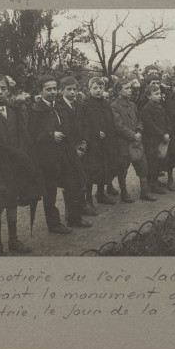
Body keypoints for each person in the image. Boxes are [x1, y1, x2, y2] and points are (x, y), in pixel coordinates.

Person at [0, 74, 44, 255]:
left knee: (12, 202)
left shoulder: (15, 110)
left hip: (15, 167)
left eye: (3, 89)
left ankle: (13, 240)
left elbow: (24, 136)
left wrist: (26, 157)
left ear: (8, 89)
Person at [27, 75, 88, 234]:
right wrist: (49, 135)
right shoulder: (36, 111)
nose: (52, 92)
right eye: (48, 89)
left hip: (65, 153)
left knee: (73, 184)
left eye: (54, 88)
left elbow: (68, 128)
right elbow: (31, 136)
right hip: (47, 158)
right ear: (40, 91)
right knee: (50, 191)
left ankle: (74, 218)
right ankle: (54, 224)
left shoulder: (59, 107)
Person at [56, 76, 96, 218]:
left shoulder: (79, 105)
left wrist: (85, 142)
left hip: (81, 147)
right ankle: (70, 213)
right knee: (70, 182)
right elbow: (61, 129)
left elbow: (86, 124)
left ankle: (81, 206)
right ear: (61, 90)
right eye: (69, 89)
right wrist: (73, 149)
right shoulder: (58, 106)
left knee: (83, 178)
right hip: (68, 150)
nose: (72, 92)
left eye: (74, 89)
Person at [111, 80, 156, 202]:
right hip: (123, 142)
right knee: (123, 167)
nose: (130, 90)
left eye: (130, 88)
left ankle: (144, 191)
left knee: (142, 164)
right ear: (118, 91)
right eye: (126, 88)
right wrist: (133, 135)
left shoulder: (132, 105)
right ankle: (124, 192)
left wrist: (139, 131)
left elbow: (140, 120)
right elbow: (118, 126)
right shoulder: (114, 106)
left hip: (136, 141)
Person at [82, 77, 120, 206]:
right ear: (90, 89)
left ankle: (100, 193)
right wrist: (96, 133)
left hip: (105, 142)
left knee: (104, 168)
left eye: (101, 88)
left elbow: (109, 120)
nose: (98, 91)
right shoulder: (85, 103)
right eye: (95, 88)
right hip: (92, 144)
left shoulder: (105, 103)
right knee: (91, 170)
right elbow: (84, 123)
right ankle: (88, 199)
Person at [140, 84, 170, 194]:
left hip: (161, 139)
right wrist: (162, 134)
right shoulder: (147, 109)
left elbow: (167, 121)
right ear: (149, 96)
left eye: (160, 94)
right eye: (156, 94)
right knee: (152, 162)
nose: (159, 96)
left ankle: (155, 181)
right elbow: (150, 126)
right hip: (151, 141)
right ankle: (151, 184)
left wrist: (167, 132)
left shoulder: (161, 107)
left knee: (158, 162)